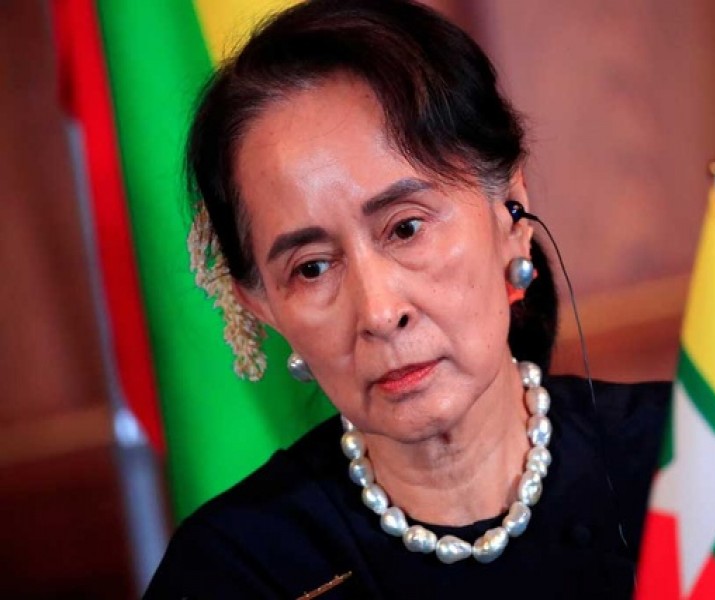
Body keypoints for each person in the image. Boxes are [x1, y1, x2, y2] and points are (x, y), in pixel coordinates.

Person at [145, 0, 668, 597]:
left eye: (406, 228)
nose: (378, 312)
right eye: (312, 268)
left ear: (510, 210)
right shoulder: (234, 571)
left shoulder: (695, 458)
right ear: (260, 305)